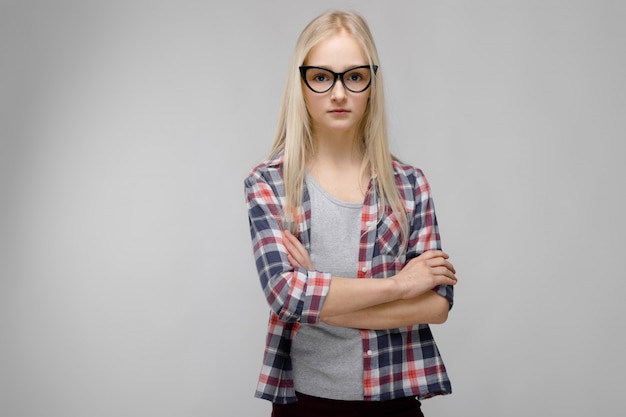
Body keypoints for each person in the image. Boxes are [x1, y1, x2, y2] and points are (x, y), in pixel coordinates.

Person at [244, 10, 457, 417]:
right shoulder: (268, 183)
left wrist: (319, 298)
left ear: (371, 85)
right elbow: (286, 296)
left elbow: (437, 304)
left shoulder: (410, 185)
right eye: (322, 77)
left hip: (393, 401)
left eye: (354, 77)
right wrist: (400, 285)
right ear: (301, 85)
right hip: (305, 405)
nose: (338, 93)